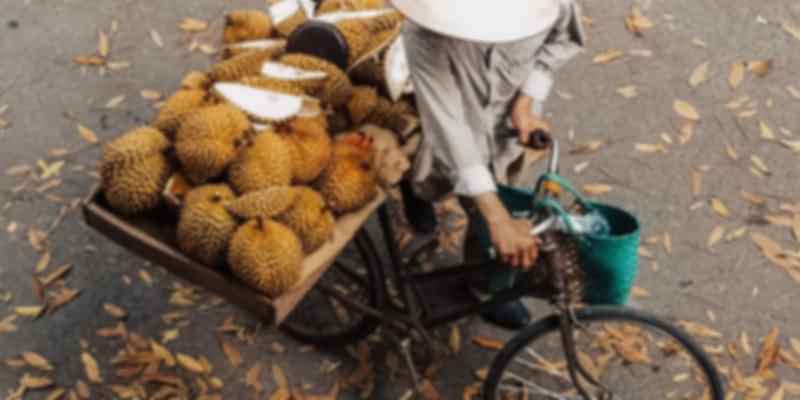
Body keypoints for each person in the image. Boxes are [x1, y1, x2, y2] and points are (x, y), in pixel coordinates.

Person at [392, 0, 586, 329]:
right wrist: (496, 217)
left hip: (506, 131)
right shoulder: (425, 33)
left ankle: (482, 286)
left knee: (500, 201)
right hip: (458, 130)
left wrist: (525, 102)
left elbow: (564, 37)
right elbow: (449, 125)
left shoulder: (548, 6)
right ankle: (416, 191)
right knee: (474, 201)